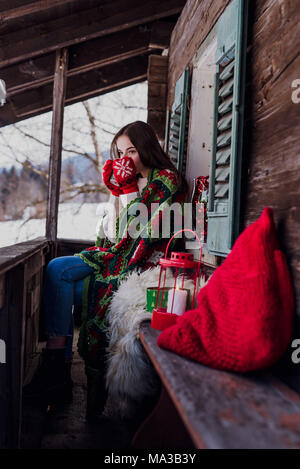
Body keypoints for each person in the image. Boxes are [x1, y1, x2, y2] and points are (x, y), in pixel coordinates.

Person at [24, 120, 187, 419]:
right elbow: (112, 232)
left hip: (137, 265)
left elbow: (139, 234)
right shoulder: (132, 181)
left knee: (63, 283)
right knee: (58, 268)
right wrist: (118, 192)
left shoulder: (165, 180)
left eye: (133, 151)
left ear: (147, 148)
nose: (125, 159)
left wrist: (126, 192)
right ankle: (57, 369)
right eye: (120, 152)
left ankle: (57, 372)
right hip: (113, 256)